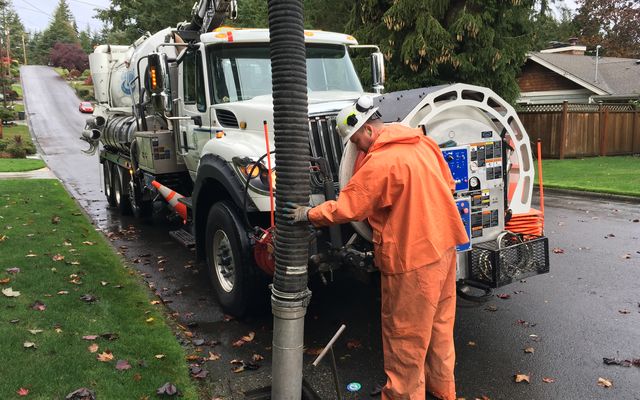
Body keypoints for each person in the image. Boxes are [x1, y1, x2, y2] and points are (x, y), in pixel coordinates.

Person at [284, 95, 469, 400]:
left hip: (412, 258)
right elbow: (448, 184)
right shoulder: (424, 144)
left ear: (367, 130)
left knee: (406, 336)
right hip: (445, 247)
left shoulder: (381, 162)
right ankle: (442, 390)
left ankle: (403, 396)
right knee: (439, 327)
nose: (358, 148)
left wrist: (308, 214)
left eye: (356, 141)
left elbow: (348, 208)